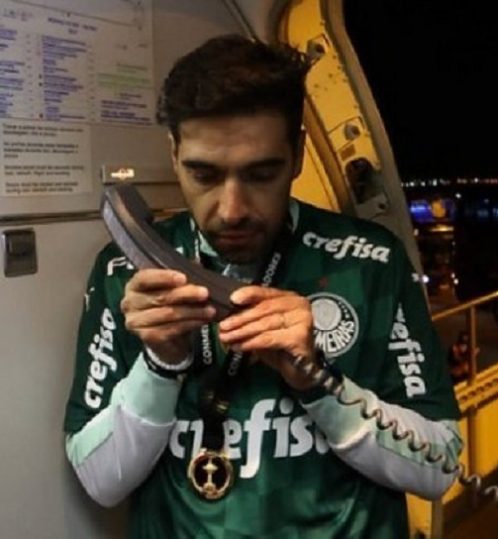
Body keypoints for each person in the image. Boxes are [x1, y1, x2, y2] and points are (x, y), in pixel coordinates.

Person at [62, 35, 462, 538]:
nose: (232, 210)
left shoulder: (370, 261)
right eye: (204, 174)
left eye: (261, 174)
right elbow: (102, 482)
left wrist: (319, 384)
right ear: (175, 154)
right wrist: (160, 365)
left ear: (296, 156)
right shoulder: (126, 273)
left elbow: (439, 467)